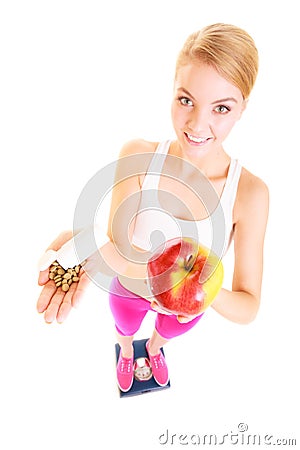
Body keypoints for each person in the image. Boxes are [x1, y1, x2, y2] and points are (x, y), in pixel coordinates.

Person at [37, 23, 269, 393]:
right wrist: (84, 244)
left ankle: (157, 349)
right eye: (186, 100)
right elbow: (117, 248)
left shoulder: (250, 194)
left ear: (242, 108)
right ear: (172, 91)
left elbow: (249, 305)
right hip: (128, 292)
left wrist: (201, 289)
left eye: (221, 108)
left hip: (186, 311)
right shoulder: (137, 156)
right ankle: (127, 352)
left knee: (167, 332)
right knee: (125, 327)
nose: (197, 124)